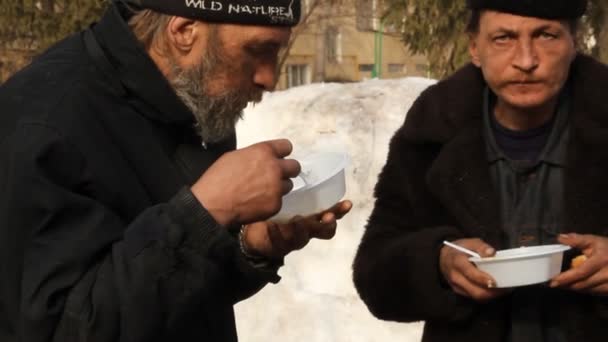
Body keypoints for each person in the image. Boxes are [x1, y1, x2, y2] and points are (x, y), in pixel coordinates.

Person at [0, 0, 352, 341]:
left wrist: (248, 248)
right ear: (184, 31)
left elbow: (180, 301)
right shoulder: (43, 125)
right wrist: (206, 212)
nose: (269, 78)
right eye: (257, 50)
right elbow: (57, 328)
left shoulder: (195, 98)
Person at [353, 0, 608, 341]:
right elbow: (375, 272)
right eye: (503, 38)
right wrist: (438, 262)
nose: (526, 60)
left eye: (546, 36)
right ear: (475, 47)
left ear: (573, 43)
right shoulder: (432, 134)